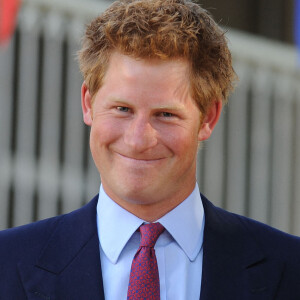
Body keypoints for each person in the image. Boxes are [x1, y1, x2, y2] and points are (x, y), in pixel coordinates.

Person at [0, 0, 300, 299]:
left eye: (165, 115)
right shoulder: (7, 263)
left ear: (208, 118)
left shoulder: (289, 269)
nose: (138, 139)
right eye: (122, 109)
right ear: (88, 104)